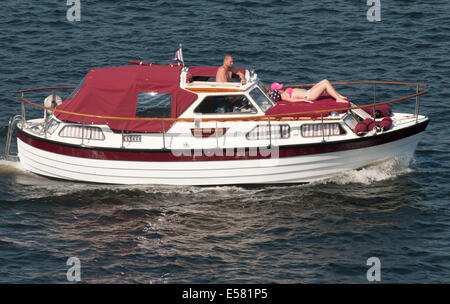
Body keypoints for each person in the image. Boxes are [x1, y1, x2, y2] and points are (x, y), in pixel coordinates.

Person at [269, 80, 348, 103]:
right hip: (309, 96)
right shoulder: (283, 96)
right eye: (280, 88)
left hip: (309, 92)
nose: (282, 88)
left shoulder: (283, 93)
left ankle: (338, 96)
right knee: (325, 85)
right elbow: (292, 100)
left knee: (325, 81)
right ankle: (338, 99)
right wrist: (303, 100)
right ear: (277, 91)